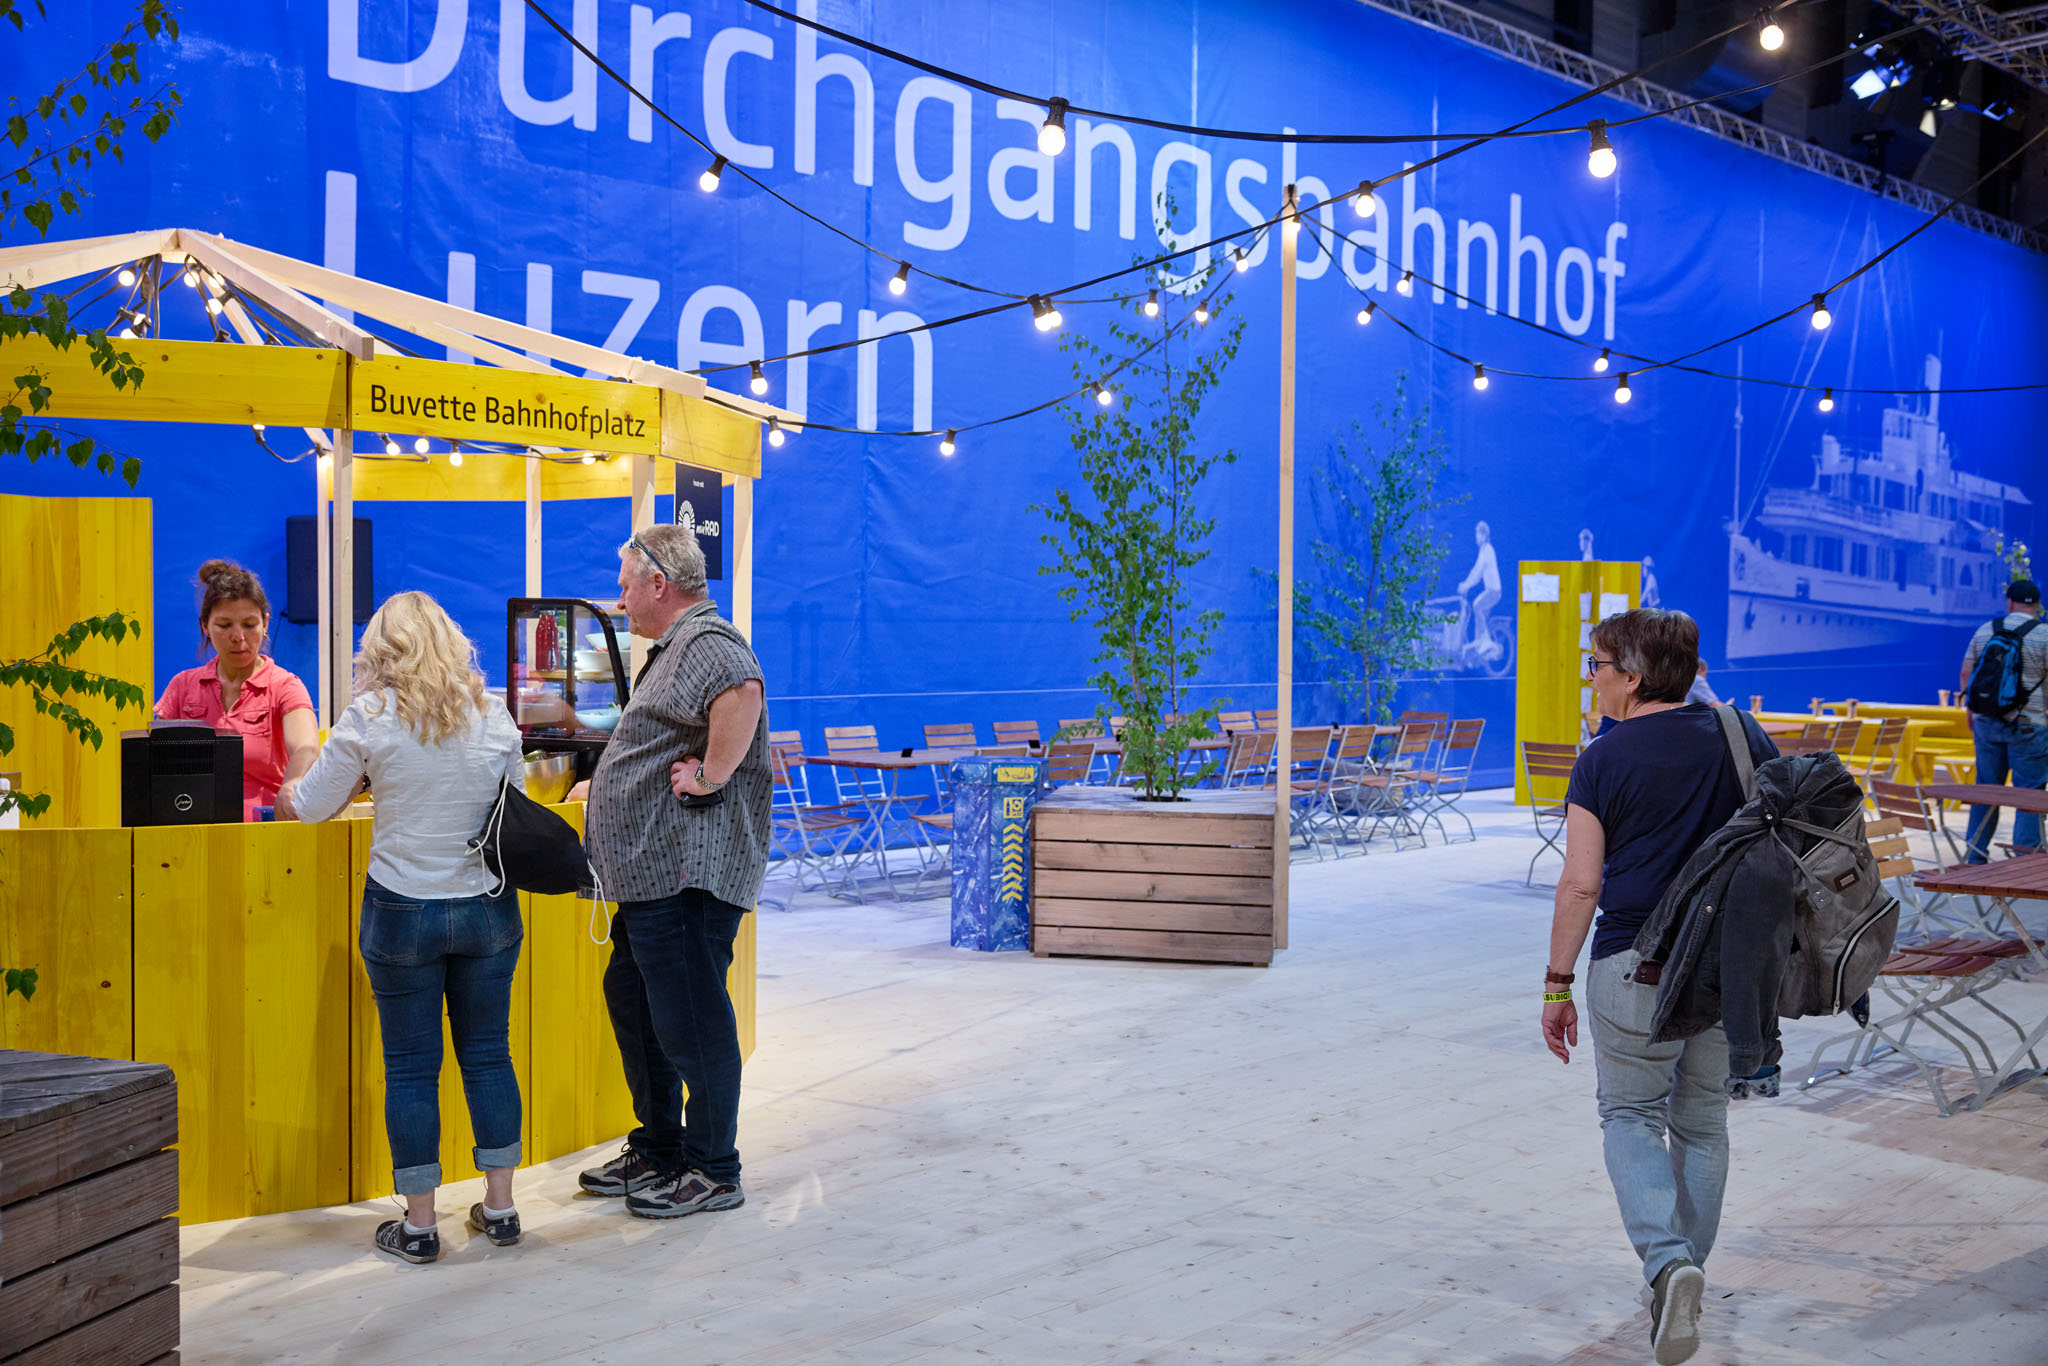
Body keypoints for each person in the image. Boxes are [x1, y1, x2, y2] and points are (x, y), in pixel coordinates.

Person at [1541, 608, 1778, 1365]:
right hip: (1726, 965)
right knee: (1703, 1123)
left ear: (1634, 677)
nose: (1592, 678)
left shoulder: (1603, 758)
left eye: (1598, 665)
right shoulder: (1742, 735)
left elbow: (1582, 884)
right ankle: (1683, 1276)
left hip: (1633, 964)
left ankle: (1670, 1267)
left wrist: (1555, 984)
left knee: (1631, 1115)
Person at [278, 591, 527, 1266]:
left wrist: (292, 787)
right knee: (489, 1055)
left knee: (412, 1069)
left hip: (402, 911)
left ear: (381, 651)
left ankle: (419, 1226)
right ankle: (500, 1209)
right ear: (451, 643)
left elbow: (310, 808)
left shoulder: (369, 717)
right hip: (486, 906)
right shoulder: (494, 713)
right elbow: (514, 805)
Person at [576, 523, 771, 1219]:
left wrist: (710, 776)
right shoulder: (677, 646)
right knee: (637, 1002)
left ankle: (714, 1168)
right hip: (654, 876)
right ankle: (661, 1148)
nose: (620, 598)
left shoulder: (707, 641)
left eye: (626, 585)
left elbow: (741, 691)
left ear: (659, 583)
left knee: (690, 1020)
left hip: (689, 874)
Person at [154, 559, 318, 820]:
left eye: (250, 625)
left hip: (263, 830)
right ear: (205, 626)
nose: (238, 637)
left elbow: (307, 747)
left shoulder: (285, 686)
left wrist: (293, 784)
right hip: (193, 829)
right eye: (224, 625)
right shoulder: (182, 687)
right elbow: (157, 765)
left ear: (265, 624)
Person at [1957, 578, 2047, 861]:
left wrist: (1971, 709)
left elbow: (1967, 673)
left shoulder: (1987, 630)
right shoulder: (2044, 634)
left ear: (2010, 603)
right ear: (2038, 605)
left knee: (1986, 788)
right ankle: (2026, 860)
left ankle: (1974, 856)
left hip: (1986, 721)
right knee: (2029, 793)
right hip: (2029, 724)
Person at [1457, 521, 1501, 660]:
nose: (1476, 536)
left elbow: (1479, 573)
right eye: (1476, 533)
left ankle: (1486, 641)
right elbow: (1475, 570)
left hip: (1493, 591)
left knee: (1477, 605)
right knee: (1478, 618)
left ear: (1484, 535)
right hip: (1491, 591)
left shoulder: (1488, 550)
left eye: (1478, 534)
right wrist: (1466, 583)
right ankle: (1480, 650)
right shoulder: (1483, 550)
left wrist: (1467, 586)